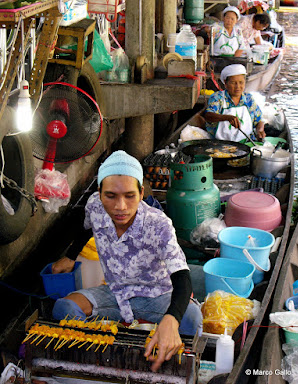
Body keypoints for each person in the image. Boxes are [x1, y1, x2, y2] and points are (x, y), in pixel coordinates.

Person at [51, 150, 202, 372]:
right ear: (99, 193)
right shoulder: (94, 206)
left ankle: (168, 368)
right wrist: (70, 257)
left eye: (129, 196)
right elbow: (87, 229)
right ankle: (98, 364)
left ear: (141, 193)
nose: (120, 206)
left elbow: (182, 277)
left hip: (156, 296)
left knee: (191, 317)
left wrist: (171, 318)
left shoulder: (159, 225)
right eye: (110, 195)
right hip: (115, 293)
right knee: (64, 307)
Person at [204, 64, 266, 142]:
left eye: (241, 82)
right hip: (220, 143)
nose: (238, 87)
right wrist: (226, 117)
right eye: (233, 83)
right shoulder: (218, 97)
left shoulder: (248, 99)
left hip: (246, 143)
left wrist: (260, 130)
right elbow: (208, 115)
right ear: (226, 84)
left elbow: (259, 120)